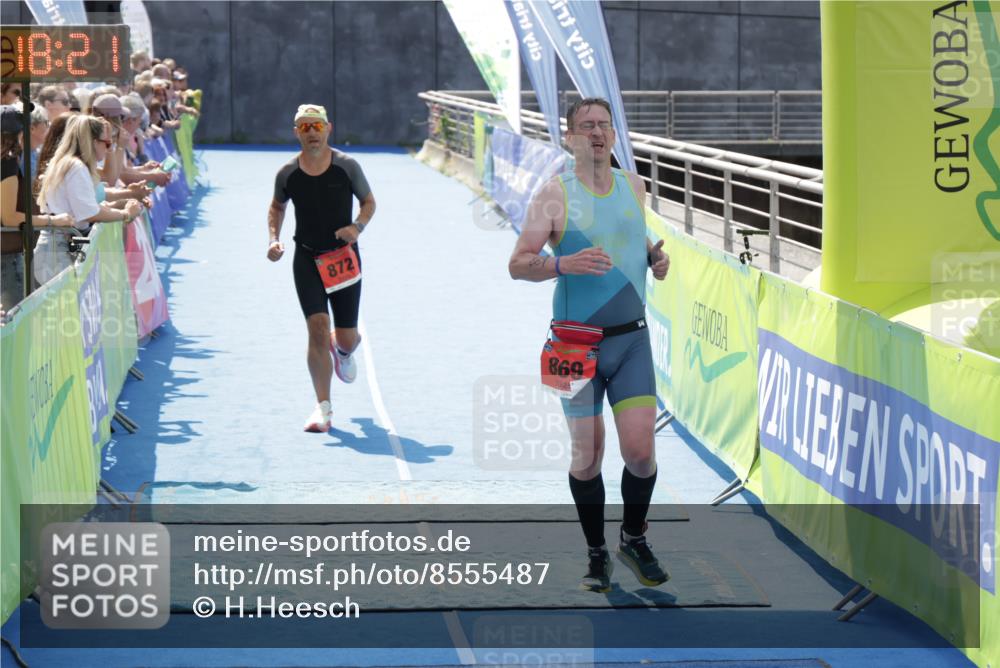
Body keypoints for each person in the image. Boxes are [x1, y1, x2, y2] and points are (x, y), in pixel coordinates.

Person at [508, 97, 671, 593]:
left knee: (640, 452)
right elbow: (518, 262)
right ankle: (596, 553)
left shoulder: (633, 185)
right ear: (570, 138)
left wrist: (654, 261)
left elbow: (633, 239)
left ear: (614, 136)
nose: (598, 133)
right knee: (588, 457)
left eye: (604, 125)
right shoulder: (553, 195)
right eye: (587, 126)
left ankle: (633, 537)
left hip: (631, 342)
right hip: (574, 344)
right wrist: (562, 264)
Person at [267, 104, 376, 432]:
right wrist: (273, 238)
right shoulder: (287, 173)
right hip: (307, 257)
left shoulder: (347, 166)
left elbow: (369, 202)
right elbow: (277, 206)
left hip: (342, 257)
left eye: (316, 126)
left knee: (345, 337)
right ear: (296, 132)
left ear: (328, 128)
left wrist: (357, 227)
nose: (311, 132)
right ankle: (323, 408)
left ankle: (342, 350)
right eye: (304, 127)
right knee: (315, 327)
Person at [34, 115, 141, 285]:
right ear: (92, 142)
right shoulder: (75, 167)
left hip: (59, 247)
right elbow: (90, 212)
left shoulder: (70, 164)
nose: (108, 149)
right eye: (106, 144)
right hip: (59, 250)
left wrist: (117, 207)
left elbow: (86, 208)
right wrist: (126, 213)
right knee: (68, 310)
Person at [0, 106, 73, 309]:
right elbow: (9, 217)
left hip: (10, 255)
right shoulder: (6, 163)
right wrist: (53, 221)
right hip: (7, 257)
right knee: (15, 327)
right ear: (18, 134)